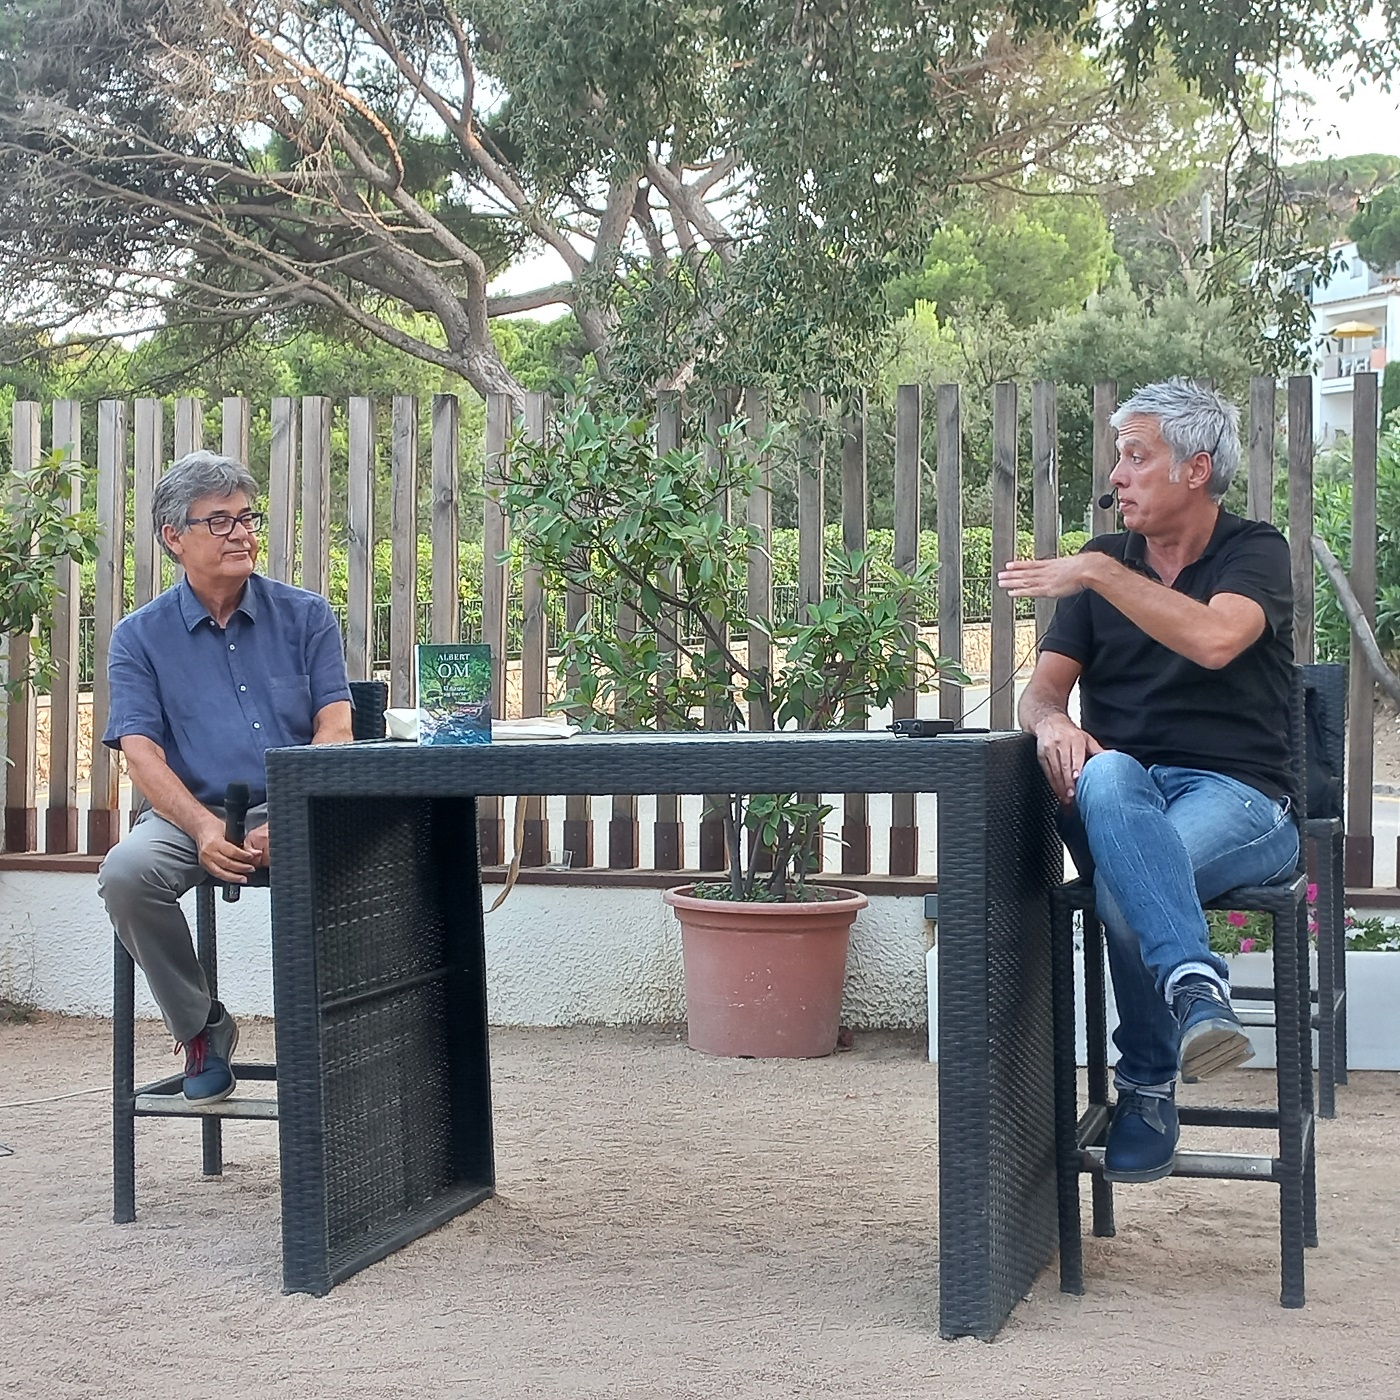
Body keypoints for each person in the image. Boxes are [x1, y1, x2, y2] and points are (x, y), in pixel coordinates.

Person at [997, 378, 1299, 1185]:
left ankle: (1147, 1088)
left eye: (1136, 457)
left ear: (1196, 469)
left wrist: (1100, 575)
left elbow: (1215, 639)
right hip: (1122, 794)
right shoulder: (1106, 561)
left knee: (1126, 888)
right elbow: (1043, 692)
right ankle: (1196, 991)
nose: (1117, 475)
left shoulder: (1254, 552)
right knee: (1108, 773)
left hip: (1240, 799)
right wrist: (1051, 724)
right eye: (1118, 457)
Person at [98, 452, 352, 1104]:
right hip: (189, 814)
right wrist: (205, 829)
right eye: (220, 521)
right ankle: (201, 1027)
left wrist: (291, 814)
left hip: (296, 806)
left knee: (367, 862)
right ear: (173, 537)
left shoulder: (307, 616)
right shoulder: (138, 637)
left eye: (247, 518)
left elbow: (335, 729)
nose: (241, 533)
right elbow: (141, 755)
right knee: (126, 873)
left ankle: (350, 1044)